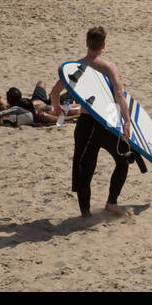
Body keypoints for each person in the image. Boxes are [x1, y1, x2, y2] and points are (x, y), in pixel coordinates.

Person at [49, 27, 138, 218]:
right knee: (122, 162)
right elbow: (119, 95)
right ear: (104, 45)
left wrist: (57, 109)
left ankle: (86, 214)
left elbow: (54, 93)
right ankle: (111, 203)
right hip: (107, 124)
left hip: (86, 125)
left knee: (85, 170)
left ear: (86, 43)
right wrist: (127, 121)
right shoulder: (109, 67)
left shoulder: (76, 68)